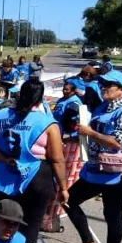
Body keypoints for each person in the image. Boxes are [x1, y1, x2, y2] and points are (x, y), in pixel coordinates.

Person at [0, 79, 67, 243]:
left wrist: (3, 158)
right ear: (41, 98)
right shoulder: (46, 122)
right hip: (36, 176)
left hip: (5, 175)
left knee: (4, 221)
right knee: (30, 224)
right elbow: (56, 158)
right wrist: (63, 187)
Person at [65, 70, 122, 243]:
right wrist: (69, 139)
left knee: (112, 215)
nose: (103, 88)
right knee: (69, 200)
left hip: (118, 173)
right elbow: (90, 134)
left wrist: (90, 133)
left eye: (108, 85)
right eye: (102, 85)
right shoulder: (103, 108)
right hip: (95, 169)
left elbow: (119, 142)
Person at [48, 80, 84, 232]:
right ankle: (50, 215)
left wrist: (65, 138)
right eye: (64, 89)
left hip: (68, 142)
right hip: (59, 137)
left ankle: (54, 214)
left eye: (68, 90)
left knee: (62, 177)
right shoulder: (63, 100)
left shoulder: (74, 104)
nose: (64, 91)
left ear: (74, 90)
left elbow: (72, 125)